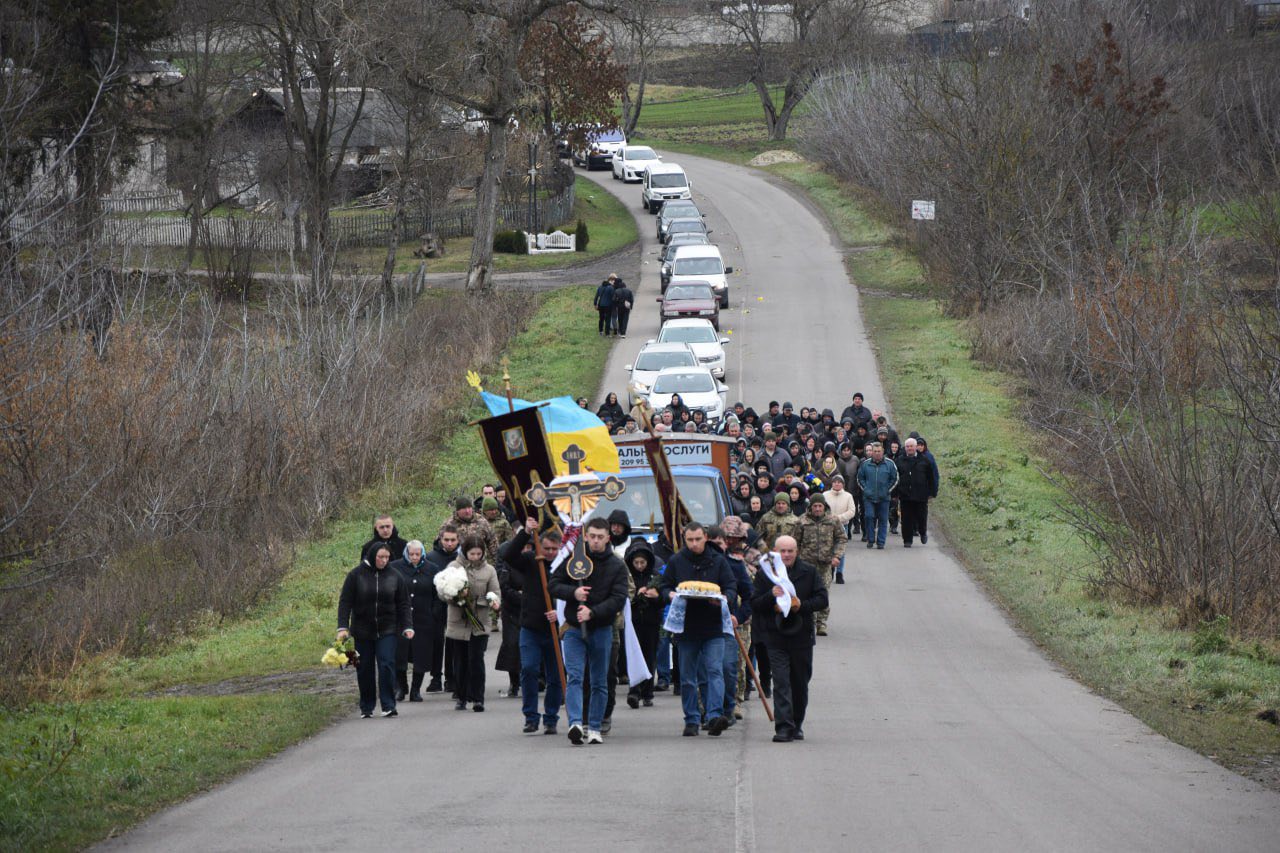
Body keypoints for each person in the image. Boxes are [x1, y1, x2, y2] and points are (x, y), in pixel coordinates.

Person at [549, 517, 629, 746]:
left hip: (601, 629)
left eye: (600, 537)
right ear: (585, 536)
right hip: (574, 629)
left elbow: (618, 599)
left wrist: (593, 612)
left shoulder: (616, 566)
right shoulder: (574, 559)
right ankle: (575, 723)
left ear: (608, 538)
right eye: (591, 536)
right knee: (574, 676)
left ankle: (594, 727)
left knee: (599, 681)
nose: (595, 541)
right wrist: (573, 594)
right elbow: (554, 584)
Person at [658, 522, 737, 738]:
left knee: (714, 671)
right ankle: (691, 719)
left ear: (705, 538)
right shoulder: (677, 561)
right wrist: (669, 595)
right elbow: (664, 586)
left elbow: (730, 586)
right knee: (687, 677)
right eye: (690, 540)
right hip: (687, 627)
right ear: (685, 540)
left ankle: (714, 715)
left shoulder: (718, 561)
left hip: (713, 625)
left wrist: (724, 599)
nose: (694, 544)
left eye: (698, 539)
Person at [751, 535, 827, 743]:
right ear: (775, 551)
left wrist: (801, 605)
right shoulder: (765, 574)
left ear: (797, 551)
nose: (786, 555)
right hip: (775, 636)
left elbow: (822, 599)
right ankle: (783, 727)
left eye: (790, 551)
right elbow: (755, 603)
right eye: (782, 551)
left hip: (801, 636)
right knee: (782, 682)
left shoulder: (809, 572)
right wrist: (770, 597)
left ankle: (797, 723)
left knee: (799, 683)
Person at [500, 518, 565, 735]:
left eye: (554, 549)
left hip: (555, 630)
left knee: (555, 676)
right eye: (546, 548)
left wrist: (560, 612)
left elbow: (573, 593)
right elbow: (508, 556)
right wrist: (525, 533)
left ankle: (551, 718)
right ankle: (530, 716)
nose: (550, 553)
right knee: (528, 669)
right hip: (530, 627)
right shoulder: (531, 560)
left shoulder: (565, 564)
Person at [337, 542, 413, 718]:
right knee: (363, 667)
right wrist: (342, 627)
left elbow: (403, 603)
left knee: (387, 664)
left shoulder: (395, 576)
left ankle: (388, 704)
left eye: (387, 557)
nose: (384, 561)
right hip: (361, 630)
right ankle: (366, 706)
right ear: (372, 556)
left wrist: (408, 625)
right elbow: (345, 602)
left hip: (388, 629)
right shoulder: (355, 575)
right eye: (380, 557)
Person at [443, 536, 501, 712]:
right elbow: (443, 592)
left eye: (478, 553)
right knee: (460, 661)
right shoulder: (454, 567)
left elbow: (495, 592)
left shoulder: (489, 570)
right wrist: (457, 597)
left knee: (476, 660)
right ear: (465, 552)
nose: (475, 557)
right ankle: (461, 697)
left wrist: (492, 601)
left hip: (480, 623)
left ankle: (478, 698)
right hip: (458, 622)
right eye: (471, 553)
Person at [388, 540, 438, 702]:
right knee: (399, 654)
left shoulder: (432, 569)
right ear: (406, 553)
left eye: (418, 554)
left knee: (421, 655)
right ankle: (401, 687)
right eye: (411, 554)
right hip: (401, 619)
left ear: (422, 553)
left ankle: (416, 690)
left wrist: (434, 612)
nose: (414, 557)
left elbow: (437, 595)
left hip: (424, 619)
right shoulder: (395, 567)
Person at [793, 494, 846, 636]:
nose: (817, 509)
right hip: (806, 565)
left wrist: (836, 556)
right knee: (807, 594)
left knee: (823, 593)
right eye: (814, 506)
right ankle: (809, 621)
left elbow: (841, 539)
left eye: (820, 506)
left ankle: (821, 623)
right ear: (810, 507)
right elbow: (795, 542)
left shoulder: (833, 520)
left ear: (824, 507)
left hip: (825, 564)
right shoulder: (802, 521)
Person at [624, 538, 662, 709]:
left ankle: (647, 692)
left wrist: (654, 597)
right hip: (633, 623)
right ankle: (634, 691)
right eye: (636, 562)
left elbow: (663, 599)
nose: (639, 565)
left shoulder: (655, 577)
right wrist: (635, 596)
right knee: (633, 656)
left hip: (651, 623)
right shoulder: (627, 578)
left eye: (643, 562)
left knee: (649, 656)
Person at [423, 526, 459, 692]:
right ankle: (435, 677)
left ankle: (451, 678)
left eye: (453, 540)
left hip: (456, 606)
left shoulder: (461, 558)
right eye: (446, 540)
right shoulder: (430, 557)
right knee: (436, 642)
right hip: (436, 606)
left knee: (453, 642)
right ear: (440, 539)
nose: (450, 543)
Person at [895, 438, 938, 547]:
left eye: (911, 446)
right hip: (905, 495)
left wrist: (932, 492)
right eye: (907, 446)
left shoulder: (924, 460)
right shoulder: (899, 460)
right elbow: (895, 478)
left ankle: (923, 532)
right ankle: (907, 540)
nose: (909, 448)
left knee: (921, 517)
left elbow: (931, 478)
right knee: (906, 519)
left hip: (921, 495)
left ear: (915, 447)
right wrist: (895, 493)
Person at [858, 442, 899, 550]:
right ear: (872, 452)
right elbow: (860, 478)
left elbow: (895, 478)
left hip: (884, 498)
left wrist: (887, 490)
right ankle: (870, 539)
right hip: (869, 497)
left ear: (883, 451)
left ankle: (881, 542)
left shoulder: (890, 464)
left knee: (883, 519)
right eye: (874, 451)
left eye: (878, 451)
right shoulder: (865, 464)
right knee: (869, 516)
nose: (876, 453)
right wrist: (866, 489)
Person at [443, 496, 499, 561]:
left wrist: (496, 562)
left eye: (469, 508)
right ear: (457, 510)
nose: (467, 511)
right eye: (464, 509)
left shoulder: (481, 521)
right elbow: (440, 544)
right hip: (457, 564)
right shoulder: (449, 524)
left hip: (479, 563)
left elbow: (493, 541)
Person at [824, 475, 857, 583]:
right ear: (832, 483)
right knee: (828, 548)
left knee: (840, 550)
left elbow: (852, 511)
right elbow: (821, 508)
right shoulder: (825, 495)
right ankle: (830, 569)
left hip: (843, 525)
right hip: (827, 526)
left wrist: (839, 518)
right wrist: (829, 518)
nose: (837, 484)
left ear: (843, 484)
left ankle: (839, 572)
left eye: (839, 482)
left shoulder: (848, 496)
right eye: (835, 482)